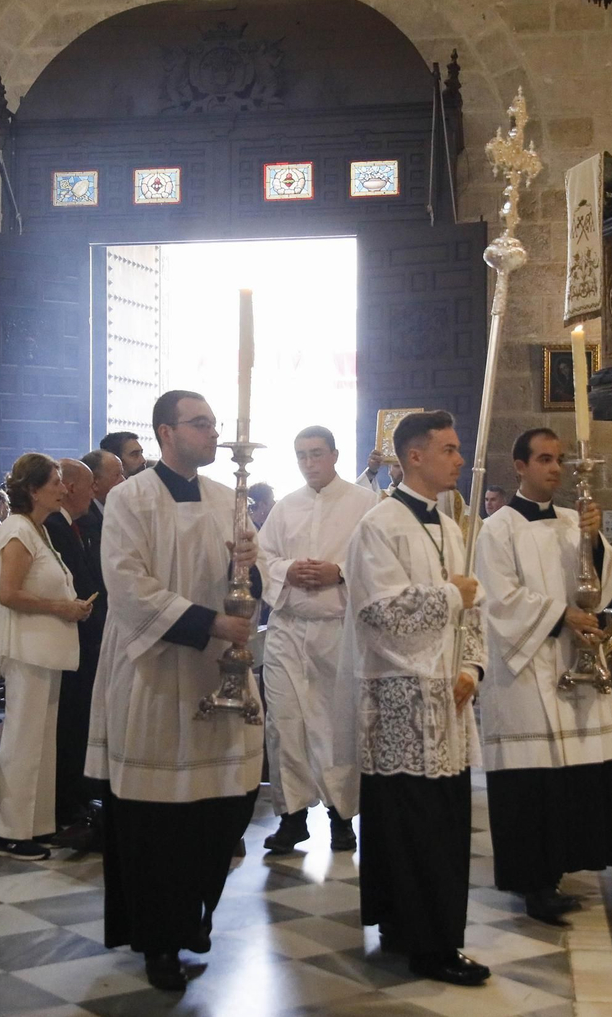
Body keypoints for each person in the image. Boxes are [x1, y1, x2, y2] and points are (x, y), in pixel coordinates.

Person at [86, 390, 262, 992]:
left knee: (226, 805)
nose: (214, 433)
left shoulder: (226, 499)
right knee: (155, 822)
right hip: (154, 673)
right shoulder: (130, 499)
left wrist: (250, 566)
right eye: (201, 423)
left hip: (217, 675)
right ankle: (159, 939)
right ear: (166, 431)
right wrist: (210, 623)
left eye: (215, 424)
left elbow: (246, 583)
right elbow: (127, 585)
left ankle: (195, 914)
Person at [338, 409, 489, 986]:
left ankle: (417, 928)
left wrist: (471, 668)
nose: (459, 459)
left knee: (443, 826)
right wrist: (450, 596)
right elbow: (379, 613)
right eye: (449, 450)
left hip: (448, 700)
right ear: (415, 457)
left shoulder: (453, 526)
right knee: (412, 827)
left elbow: (473, 607)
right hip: (402, 700)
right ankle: (429, 945)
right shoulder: (380, 526)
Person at [474, 427, 612, 926]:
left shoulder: (570, 522)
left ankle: (556, 872)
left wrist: (596, 544)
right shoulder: (497, 528)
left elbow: (603, 584)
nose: (555, 468)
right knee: (531, 781)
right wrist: (561, 617)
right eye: (543, 459)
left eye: (559, 459)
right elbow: (499, 599)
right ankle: (531, 883)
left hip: (571, 665)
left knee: (570, 780)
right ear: (519, 466)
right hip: (525, 672)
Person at [255, 426, 378, 855]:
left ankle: (341, 818)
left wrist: (339, 571)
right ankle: (292, 818)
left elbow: (379, 556)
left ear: (335, 455)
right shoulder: (286, 506)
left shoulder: (366, 503)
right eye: (302, 455)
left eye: (317, 454)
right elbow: (261, 555)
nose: (310, 463)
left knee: (335, 724)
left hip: (338, 630)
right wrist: (287, 570)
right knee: (284, 724)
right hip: (288, 628)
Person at [0, 454, 89, 859]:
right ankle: (9, 832)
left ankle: (36, 825)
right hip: (26, 650)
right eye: (57, 482)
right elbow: (8, 593)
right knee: (23, 741)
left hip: (46, 650)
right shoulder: (16, 530)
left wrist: (72, 604)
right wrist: (61, 608)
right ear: (32, 489)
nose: (64, 489)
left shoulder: (37, 530)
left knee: (43, 742)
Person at [44, 458, 108, 848]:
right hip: (69, 638)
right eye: (88, 485)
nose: (94, 492)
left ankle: (75, 797)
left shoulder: (69, 525)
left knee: (77, 721)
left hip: (82, 637)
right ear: (68, 486)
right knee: (68, 723)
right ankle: (65, 802)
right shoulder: (53, 527)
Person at [81, 448, 124, 516]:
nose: (123, 480)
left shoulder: (118, 510)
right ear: (94, 483)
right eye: (117, 475)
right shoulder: (85, 516)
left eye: (122, 474)